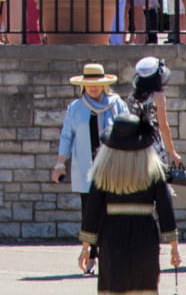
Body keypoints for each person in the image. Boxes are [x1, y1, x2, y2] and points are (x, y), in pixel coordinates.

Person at [78, 112, 180, 291]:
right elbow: (165, 210)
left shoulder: (103, 171)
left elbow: (92, 210)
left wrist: (86, 248)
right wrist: (174, 247)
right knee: (143, 288)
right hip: (145, 235)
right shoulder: (154, 171)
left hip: (111, 235)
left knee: (114, 287)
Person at [53, 63, 129, 274]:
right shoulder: (75, 108)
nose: (93, 88)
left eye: (97, 84)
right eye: (89, 84)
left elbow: (129, 131)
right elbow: (67, 137)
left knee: (112, 213)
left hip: (113, 168)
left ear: (104, 85)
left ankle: (111, 255)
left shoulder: (117, 105)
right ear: (83, 85)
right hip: (85, 170)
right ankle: (91, 254)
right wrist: (60, 165)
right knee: (89, 213)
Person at [128, 57, 181, 168]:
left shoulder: (132, 97)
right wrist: (172, 151)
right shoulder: (158, 96)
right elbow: (163, 125)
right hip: (152, 144)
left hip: (134, 145)